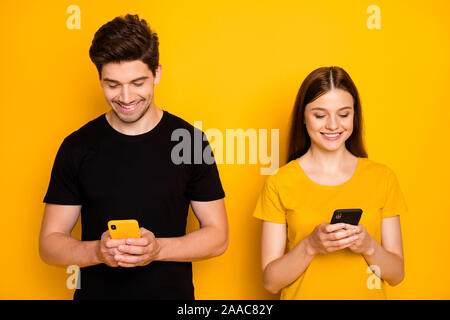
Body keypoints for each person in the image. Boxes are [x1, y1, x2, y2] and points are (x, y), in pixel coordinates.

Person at [39, 14, 228, 300]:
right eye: (112, 85)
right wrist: (97, 251)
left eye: (137, 82)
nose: (126, 97)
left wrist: (157, 249)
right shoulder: (76, 146)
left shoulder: (189, 141)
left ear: (157, 74)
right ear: (100, 79)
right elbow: (49, 245)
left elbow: (218, 236)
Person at [253, 66, 407, 299]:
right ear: (303, 118)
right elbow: (271, 282)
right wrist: (311, 245)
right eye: (320, 115)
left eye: (343, 114)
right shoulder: (280, 182)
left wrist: (368, 246)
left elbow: (396, 275)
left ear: (354, 115)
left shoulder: (382, 177)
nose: (333, 125)